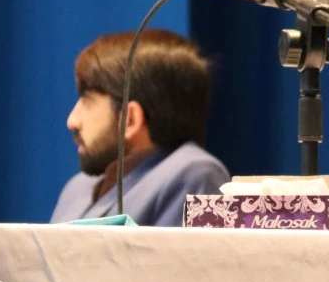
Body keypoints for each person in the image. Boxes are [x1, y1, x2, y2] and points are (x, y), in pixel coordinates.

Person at [51, 29, 230, 227]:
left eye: (88, 102)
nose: (72, 121)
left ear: (130, 119)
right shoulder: (77, 188)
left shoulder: (196, 175)